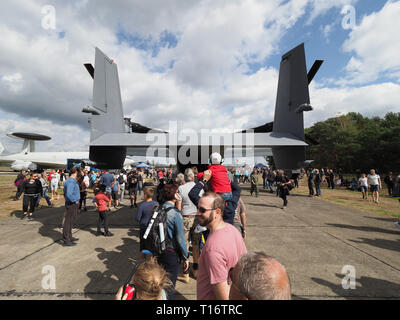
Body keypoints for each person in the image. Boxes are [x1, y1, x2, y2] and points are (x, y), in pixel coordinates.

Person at [196, 191, 247, 300]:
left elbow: (224, 298)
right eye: (198, 208)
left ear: (217, 212)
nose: (197, 213)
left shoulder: (212, 249)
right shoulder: (232, 230)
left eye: (202, 210)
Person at [156, 183, 189, 300]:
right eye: (177, 192)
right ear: (174, 195)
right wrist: (186, 257)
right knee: (169, 286)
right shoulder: (175, 214)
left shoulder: (158, 208)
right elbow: (180, 239)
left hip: (159, 251)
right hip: (171, 253)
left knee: (160, 283)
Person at [176, 168, 202, 282]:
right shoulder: (199, 188)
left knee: (185, 245)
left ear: (185, 178)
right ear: (194, 177)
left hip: (185, 218)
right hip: (197, 217)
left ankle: (185, 273)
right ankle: (196, 270)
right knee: (196, 245)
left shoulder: (181, 188)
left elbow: (178, 207)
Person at [62, 167, 81, 246]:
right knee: (68, 222)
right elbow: (69, 194)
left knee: (71, 221)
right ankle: (67, 240)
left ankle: (70, 236)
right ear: (76, 172)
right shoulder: (70, 182)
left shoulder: (72, 181)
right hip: (72, 204)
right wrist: (75, 200)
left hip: (73, 203)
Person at [136, 187, 158, 254]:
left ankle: (145, 259)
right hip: (154, 227)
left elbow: (138, 218)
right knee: (153, 245)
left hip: (144, 227)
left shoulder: (142, 205)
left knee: (144, 246)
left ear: (145, 195)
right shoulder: (157, 204)